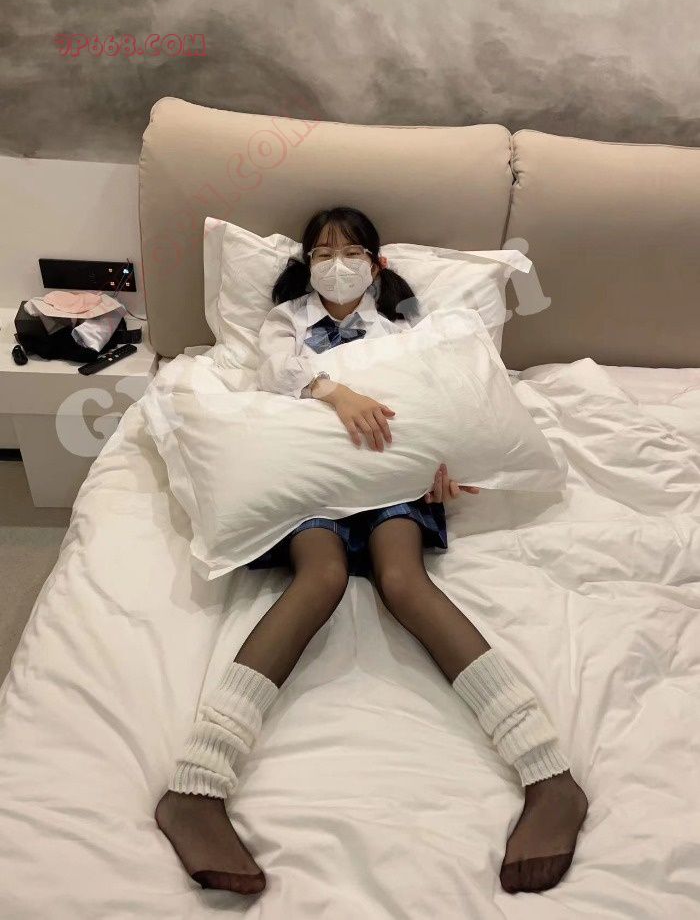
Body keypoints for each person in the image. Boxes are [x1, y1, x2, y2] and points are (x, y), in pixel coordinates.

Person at [155, 206, 588, 897]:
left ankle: (547, 773)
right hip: (310, 480)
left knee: (403, 580)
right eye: (323, 253)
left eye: (351, 251)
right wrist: (336, 392)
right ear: (306, 264)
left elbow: (439, 404)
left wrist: (442, 467)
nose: (337, 265)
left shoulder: (402, 330)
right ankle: (198, 783)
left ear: (376, 264)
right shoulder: (286, 322)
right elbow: (279, 370)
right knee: (321, 578)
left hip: (389, 480)